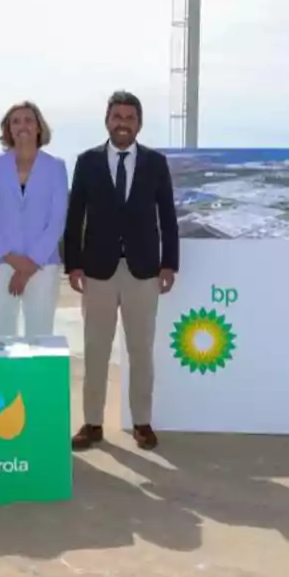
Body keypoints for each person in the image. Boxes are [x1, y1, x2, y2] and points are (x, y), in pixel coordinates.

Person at [65, 90, 179, 452]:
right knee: (96, 349)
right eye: (117, 117)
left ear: (139, 124)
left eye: (130, 118)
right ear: (107, 121)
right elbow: (75, 216)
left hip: (144, 270)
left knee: (141, 350)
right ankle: (92, 423)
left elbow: (168, 217)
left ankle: (141, 422)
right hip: (97, 270)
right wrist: (74, 263)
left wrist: (169, 263)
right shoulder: (87, 162)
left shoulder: (156, 164)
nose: (123, 124)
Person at [0, 100, 69, 337]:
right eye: (15, 121)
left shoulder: (56, 167)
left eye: (28, 120)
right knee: (0, 336)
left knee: (40, 339)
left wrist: (29, 265)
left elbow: (57, 220)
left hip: (42, 265)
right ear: (8, 129)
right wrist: (13, 260)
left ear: (39, 127)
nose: (22, 126)